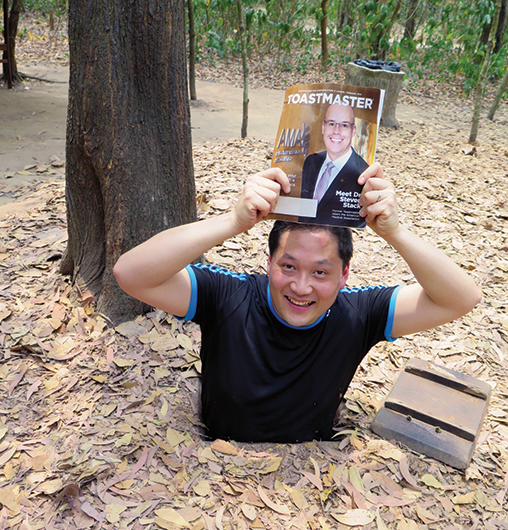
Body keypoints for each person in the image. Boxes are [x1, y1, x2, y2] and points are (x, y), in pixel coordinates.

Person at [113, 163, 481, 443]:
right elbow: (131, 274)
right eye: (288, 266)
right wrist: (231, 221)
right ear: (269, 263)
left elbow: (461, 299)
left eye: (321, 273)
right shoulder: (230, 295)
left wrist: (395, 232)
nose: (301, 287)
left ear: (344, 274)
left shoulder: (358, 313)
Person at [300, 103, 368, 227]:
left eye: (344, 125)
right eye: (331, 124)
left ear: (353, 131)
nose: (337, 131)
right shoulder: (311, 162)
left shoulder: (363, 173)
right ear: (323, 127)